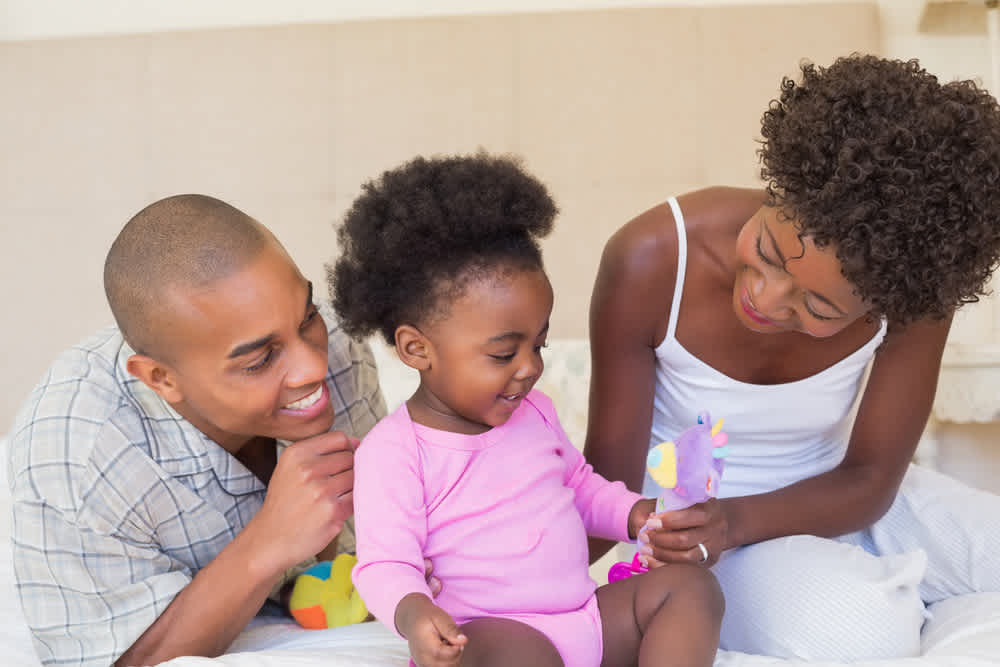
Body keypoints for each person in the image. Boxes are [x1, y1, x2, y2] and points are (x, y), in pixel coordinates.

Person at [584, 54, 1000, 661]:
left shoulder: (911, 286)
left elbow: (871, 480)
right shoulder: (652, 258)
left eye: (820, 308)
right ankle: (882, 590)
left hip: (843, 501)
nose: (765, 297)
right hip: (697, 536)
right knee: (865, 628)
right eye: (771, 252)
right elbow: (609, 485)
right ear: (784, 184)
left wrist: (740, 519)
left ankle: (887, 580)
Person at [331, 153, 724, 667]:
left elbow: (579, 487)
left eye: (538, 345)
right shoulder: (394, 451)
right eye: (502, 353)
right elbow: (385, 563)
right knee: (521, 657)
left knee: (692, 590)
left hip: (585, 619)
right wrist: (413, 614)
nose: (528, 368)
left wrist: (634, 513)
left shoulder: (535, 412)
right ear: (416, 350)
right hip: (489, 638)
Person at [7, 194, 389, 666]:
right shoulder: (82, 454)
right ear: (161, 379)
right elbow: (121, 660)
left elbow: (364, 543)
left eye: (306, 317)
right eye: (260, 360)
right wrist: (268, 542)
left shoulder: (339, 344)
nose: (313, 366)